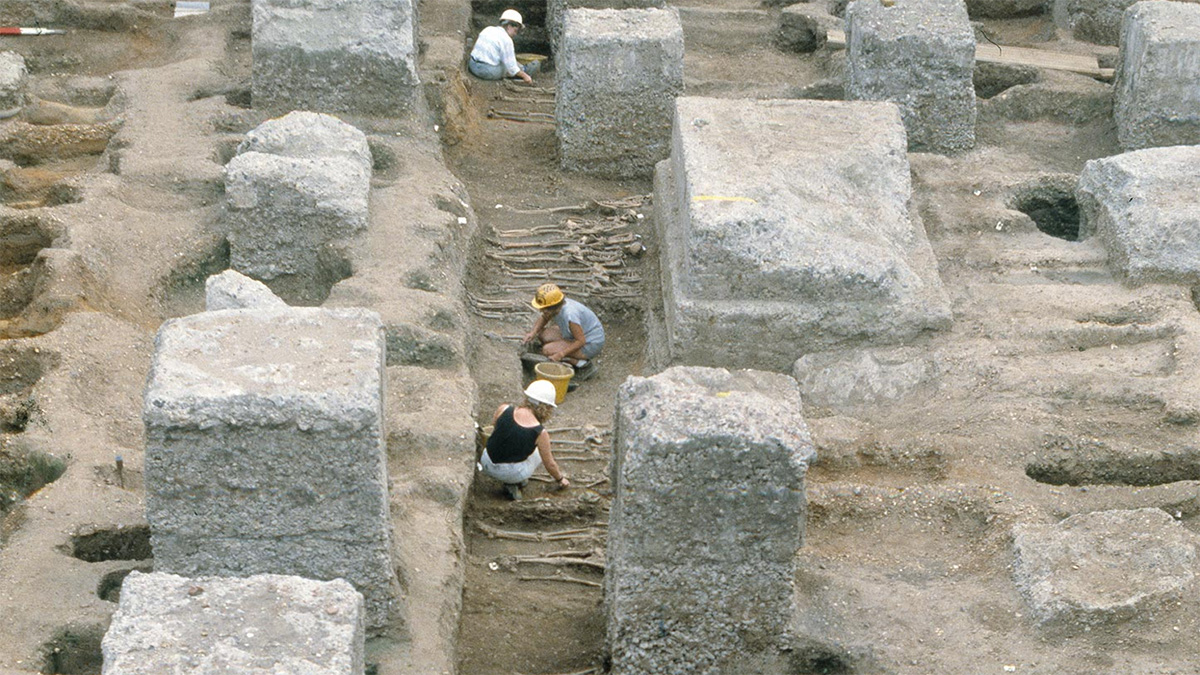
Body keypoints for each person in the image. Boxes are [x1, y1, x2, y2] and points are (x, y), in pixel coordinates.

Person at [480, 380, 570, 500]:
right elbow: (549, 464)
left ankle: (512, 477)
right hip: (508, 473)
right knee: (538, 454)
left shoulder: (504, 408)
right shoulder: (539, 432)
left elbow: (495, 428)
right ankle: (513, 482)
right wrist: (560, 479)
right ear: (546, 407)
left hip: (486, 461)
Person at [522, 283, 604, 378]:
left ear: (552, 308)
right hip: (577, 335)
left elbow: (581, 341)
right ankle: (564, 351)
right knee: (543, 334)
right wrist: (533, 332)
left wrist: (561, 354)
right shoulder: (557, 306)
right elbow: (544, 317)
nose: (542, 311)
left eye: (544, 309)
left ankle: (583, 365)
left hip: (591, 344)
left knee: (547, 350)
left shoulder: (570, 315)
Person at [467, 9, 534, 84]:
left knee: (505, 61)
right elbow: (511, 68)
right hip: (485, 71)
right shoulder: (506, 40)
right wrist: (525, 76)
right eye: (515, 31)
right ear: (509, 26)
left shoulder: (488, 29)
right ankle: (524, 70)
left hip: (472, 65)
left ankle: (521, 68)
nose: (515, 34)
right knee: (506, 67)